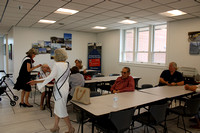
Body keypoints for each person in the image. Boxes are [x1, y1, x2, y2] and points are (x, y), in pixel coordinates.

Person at [28, 48, 75, 133]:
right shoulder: (68, 64)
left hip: (59, 90)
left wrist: (36, 81)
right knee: (57, 108)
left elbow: (49, 77)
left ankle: (71, 128)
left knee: (62, 110)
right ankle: (56, 127)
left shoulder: (57, 65)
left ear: (57, 56)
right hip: (64, 89)